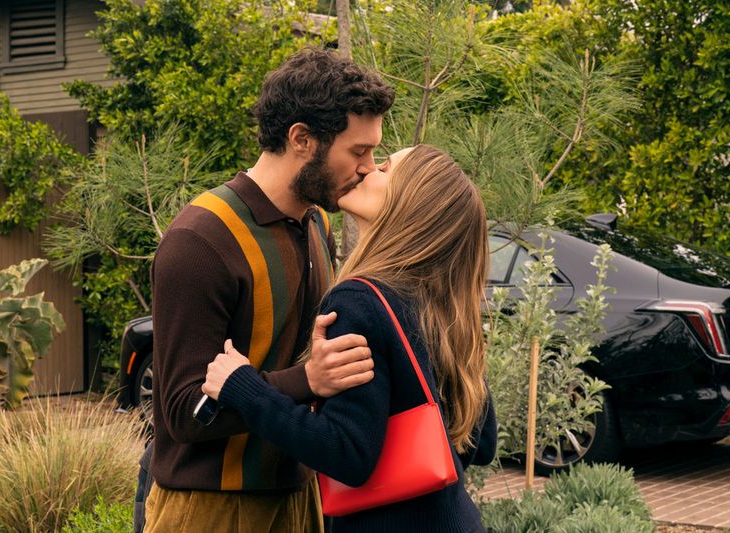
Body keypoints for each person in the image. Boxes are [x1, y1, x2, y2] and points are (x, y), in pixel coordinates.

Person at [144, 48, 395, 533]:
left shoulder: (316, 223)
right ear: (301, 139)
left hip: (300, 498)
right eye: (357, 151)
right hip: (209, 509)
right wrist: (307, 380)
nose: (368, 167)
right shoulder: (200, 240)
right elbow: (183, 411)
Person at [204, 144, 498, 533]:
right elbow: (481, 443)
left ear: (409, 204)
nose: (367, 169)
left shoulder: (359, 301)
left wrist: (244, 389)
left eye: (385, 168)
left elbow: (346, 453)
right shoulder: (443, 305)